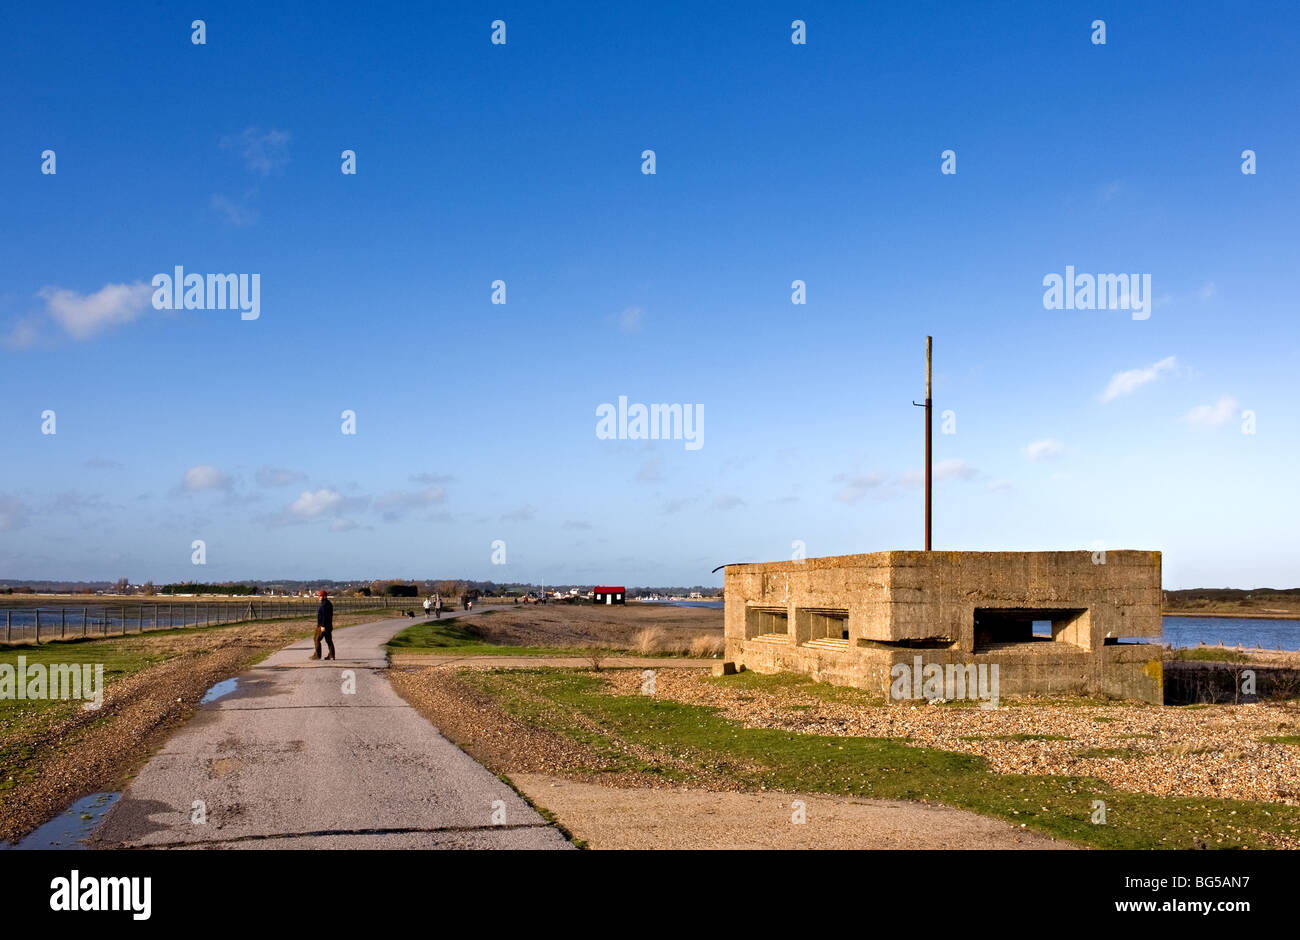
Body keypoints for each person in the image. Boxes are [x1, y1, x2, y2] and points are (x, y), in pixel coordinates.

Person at [311, 589, 335, 660]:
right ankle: (332, 655)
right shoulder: (329, 603)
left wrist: (323, 626)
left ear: (324, 596)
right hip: (329, 625)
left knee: (316, 639)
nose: (318, 597)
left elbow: (324, 616)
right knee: (329, 640)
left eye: (320, 596)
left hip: (323, 626)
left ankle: (317, 656)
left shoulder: (324, 605)